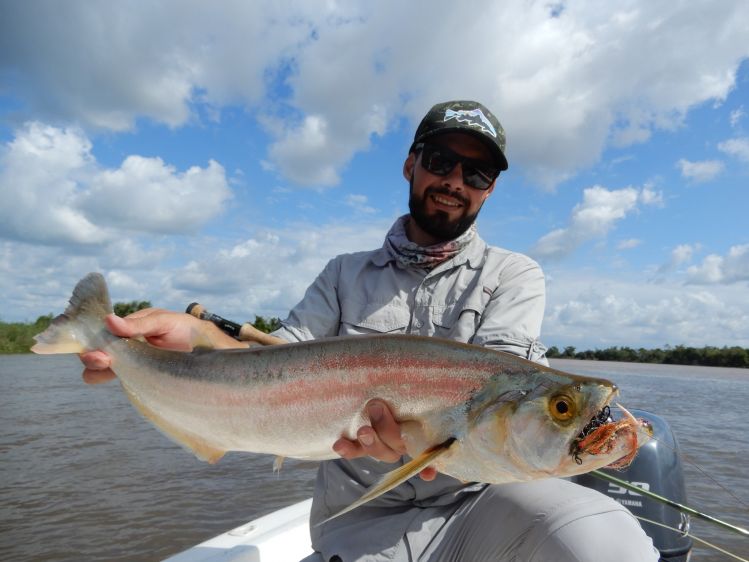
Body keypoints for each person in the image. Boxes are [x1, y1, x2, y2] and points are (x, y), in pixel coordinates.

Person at [81, 100, 659, 561]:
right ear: (411, 163)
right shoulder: (342, 274)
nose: (455, 179)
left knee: (614, 547)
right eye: (440, 160)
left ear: (489, 189)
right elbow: (280, 365)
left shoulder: (515, 275)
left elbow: (500, 393)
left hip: (481, 505)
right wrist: (194, 340)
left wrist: (563, 421)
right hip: (357, 520)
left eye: (476, 171)